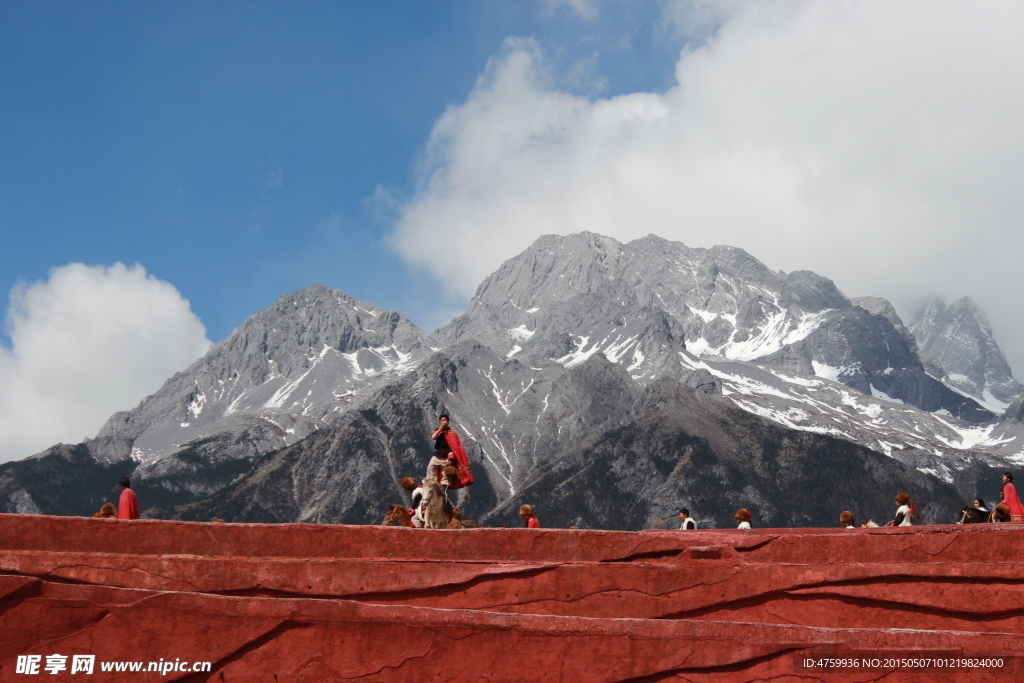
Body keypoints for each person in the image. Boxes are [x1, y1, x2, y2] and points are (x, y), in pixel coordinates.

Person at [428, 415, 474, 490]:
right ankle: (431, 485)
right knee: (430, 468)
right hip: (437, 454)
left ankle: (443, 489)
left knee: (445, 473)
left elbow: (455, 447)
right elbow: (433, 437)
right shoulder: (438, 431)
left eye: (444, 420)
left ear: (448, 422)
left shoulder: (452, 433)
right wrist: (441, 428)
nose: (443, 421)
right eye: (441, 420)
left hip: (447, 455)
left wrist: (451, 458)